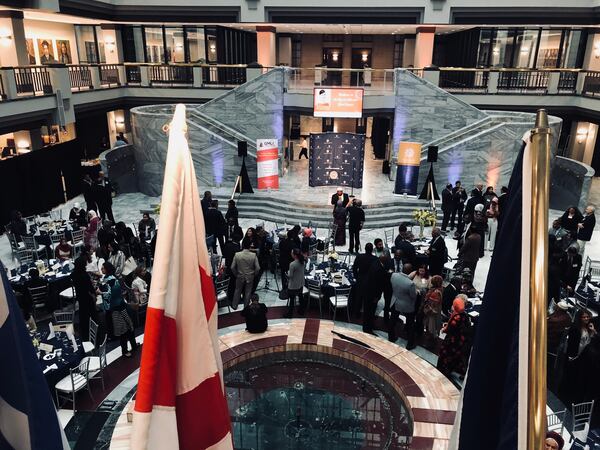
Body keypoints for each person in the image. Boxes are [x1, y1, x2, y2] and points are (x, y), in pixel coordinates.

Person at [98, 262, 137, 357]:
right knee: (129, 326)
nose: (101, 270)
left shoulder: (109, 280)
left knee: (123, 329)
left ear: (107, 269)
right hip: (120, 306)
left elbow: (110, 294)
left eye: (103, 268)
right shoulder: (111, 278)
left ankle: (125, 350)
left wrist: (100, 293)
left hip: (116, 308)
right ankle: (133, 345)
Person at [436, 296, 472, 378]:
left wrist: (444, 328)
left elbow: (449, 329)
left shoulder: (456, 317)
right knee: (453, 357)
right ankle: (449, 370)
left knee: (446, 355)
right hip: (459, 341)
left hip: (451, 341)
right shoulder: (464, 315)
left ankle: (443, 371)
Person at [388, 264, 417, 349]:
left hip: (395, 301)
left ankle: (391, 337)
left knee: (392, 320)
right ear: (410, 271)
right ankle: (410, 344)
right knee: (410, 324)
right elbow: (413, 296)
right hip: (406, 305)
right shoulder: (410, 283)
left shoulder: (393, 275)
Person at [71, 255, 98, 341]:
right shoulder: (84, 275)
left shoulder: (73, 274)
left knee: (83, 314)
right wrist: (94, 294)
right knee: (92, 313)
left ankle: (84, 331)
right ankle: (94, 331)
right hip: (87, 297)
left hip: (80, 296)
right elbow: (90, 288)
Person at [231, 240, 260, 309]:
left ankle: (234, 305)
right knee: (248, 292)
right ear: (250, 246)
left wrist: (236, 274)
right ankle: (246, 307)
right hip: (250, 276)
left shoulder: (237, 254)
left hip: (240, 275)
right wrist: (254, 274)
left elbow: (232, 267)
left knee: (237, 290)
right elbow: (258, 268)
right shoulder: (253, 255)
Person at [363, 255, 388, 334]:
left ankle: (368, 326)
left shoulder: (375, 264)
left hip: (368, 291)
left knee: (368, 311)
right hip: (372, 294)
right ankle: (368, 329)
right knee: (370, 311)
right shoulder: (379, 269)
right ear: (383, 260)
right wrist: (377, 296)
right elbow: (377, 284)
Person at [352, 242, 378, 316]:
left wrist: (357, 277)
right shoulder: (375, 259)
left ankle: (357, 313)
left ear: (365, 249)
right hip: (370, 281)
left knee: (359, 297)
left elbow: (354, 268)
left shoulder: (359, 256)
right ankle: (366, 314)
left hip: (360, 279)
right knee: (368, 299)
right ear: (372, 250)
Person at [285, 248, 306, 318]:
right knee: (300, 297)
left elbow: (290, 276)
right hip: (300, 283)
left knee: (291, 299)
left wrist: (286, 274)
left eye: (292, 253)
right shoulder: (303, 261)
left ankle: (290, 313)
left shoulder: (292, 264)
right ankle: (301, 310)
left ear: (294, 255)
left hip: (293, 285)